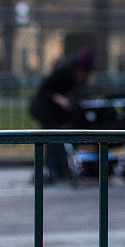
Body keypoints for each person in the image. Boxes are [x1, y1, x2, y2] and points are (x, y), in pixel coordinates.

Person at [29, 48, 95, 184]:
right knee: (51, 136)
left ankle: (60, 168)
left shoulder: (80, 77)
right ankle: (53, 168)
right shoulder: (65, 72)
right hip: (46, 108)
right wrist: (59, 99)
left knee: (58, 137)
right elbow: (45, 88)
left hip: (57, 112)